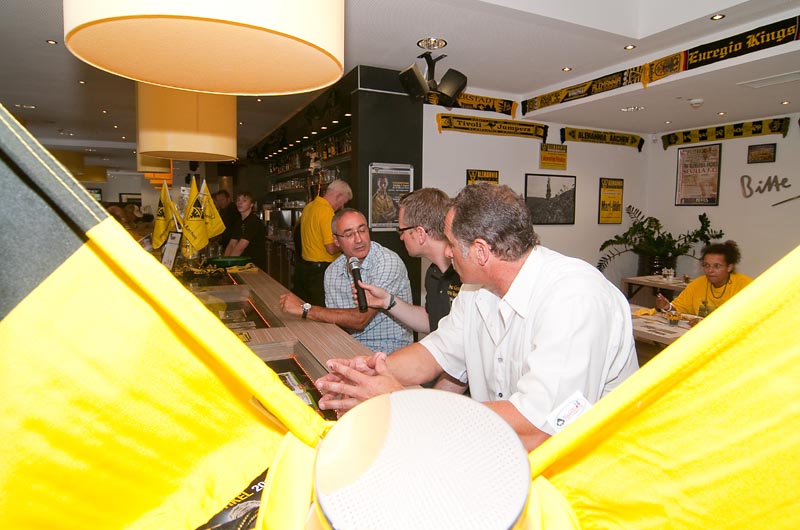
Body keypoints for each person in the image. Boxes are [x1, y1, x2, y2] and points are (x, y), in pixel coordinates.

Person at [315, 183, 639, 451]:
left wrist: (402, 403)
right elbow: (435, 352)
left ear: (481, 251)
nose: (446, 252)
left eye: (451, 244)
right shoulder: (475, 290)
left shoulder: (574, 298)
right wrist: (365, 375)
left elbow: (538, 429)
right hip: (505, 455)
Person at [357, 188, 466, 393]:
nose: (400, 237)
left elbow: (464, 360)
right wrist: (387, 301)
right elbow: (431, 321)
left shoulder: (467, 276)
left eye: (402, 230)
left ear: (420, 233)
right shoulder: (433, 273)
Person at [279, 208, 413, 354]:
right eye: (349, 234)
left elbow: (360, 319)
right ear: (336, 240)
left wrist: (305, 309)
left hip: (389, 351)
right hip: (348, 347)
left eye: (362, 230)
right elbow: (335, 320)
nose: (359, 239)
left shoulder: (387, 262)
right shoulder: (332, 271)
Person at [656, 240, 752, 323]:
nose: (710, 270)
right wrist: (667, 306)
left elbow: (747, 320)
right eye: (706, 265)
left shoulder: (746, 286)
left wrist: (706, 323)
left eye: (717, 266)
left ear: (729, 267)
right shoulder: (697, 284)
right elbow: (679, 309)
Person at [292, 179, 353, 307]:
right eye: (344, 201)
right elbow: (331, 248)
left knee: (306, 309)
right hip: (321, 271)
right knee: (321, 310)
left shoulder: (309, 207)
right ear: (338, 195)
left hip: (304, 268)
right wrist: (346, 243)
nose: (342, 206)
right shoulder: (326, 212)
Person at [224, 191, 266, 270]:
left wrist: (228, 265)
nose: (240, 203)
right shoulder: (239, 222)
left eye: (244, 200)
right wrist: (224, 262)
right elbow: (232, 244)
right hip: (242, 264)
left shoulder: (253, 221)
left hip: (254, 265)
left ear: (251, 204)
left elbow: (240, 247)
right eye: (238, 200)